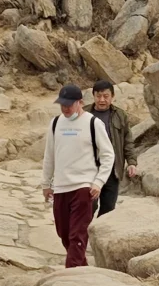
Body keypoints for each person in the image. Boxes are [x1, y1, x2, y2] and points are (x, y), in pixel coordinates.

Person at [42, 84, 115, 268]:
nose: (65, 108)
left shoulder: (93, 123)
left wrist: (98, 182)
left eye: (69, 104)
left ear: (80, 102)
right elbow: (49, 155)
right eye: (62, 105)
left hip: (84, 187)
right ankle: (81, 268)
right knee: (64, 233)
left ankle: (71, 274)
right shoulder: (56, 123)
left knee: (77, 234)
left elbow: (108, 155)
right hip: (60, 187)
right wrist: (46, 183)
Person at [85, 79, 138, 216]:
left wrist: (131, 162)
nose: (102, 100)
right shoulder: (83, 115)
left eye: (106, 96)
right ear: (93, 96)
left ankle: (101, 236)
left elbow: (128, 141)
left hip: (112, 169)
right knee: (88, 206)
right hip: (89, 169)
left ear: (112, 96)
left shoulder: (120, 115)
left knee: (108, 208)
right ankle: (82, 235)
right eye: (98, 96)